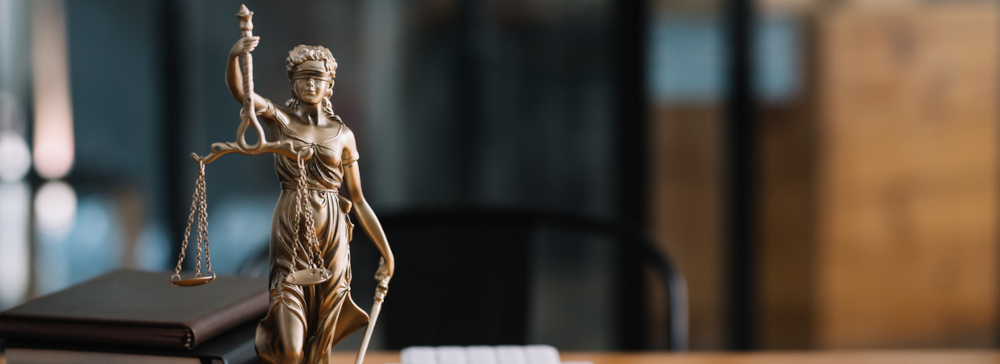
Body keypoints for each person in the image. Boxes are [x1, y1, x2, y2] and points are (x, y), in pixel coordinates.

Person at [226, 36, 394, 364]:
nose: (310, 85)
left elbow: (358, 200)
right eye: (303, 78)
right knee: (291, 349)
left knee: (321, 349)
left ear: (329, 85)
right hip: (291, 236)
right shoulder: (281, 122)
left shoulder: (343, 135)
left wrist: (386, 251)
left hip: (332, 239)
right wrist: (236, 56)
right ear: (292, 83)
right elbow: (243, 95)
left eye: (317, 78)